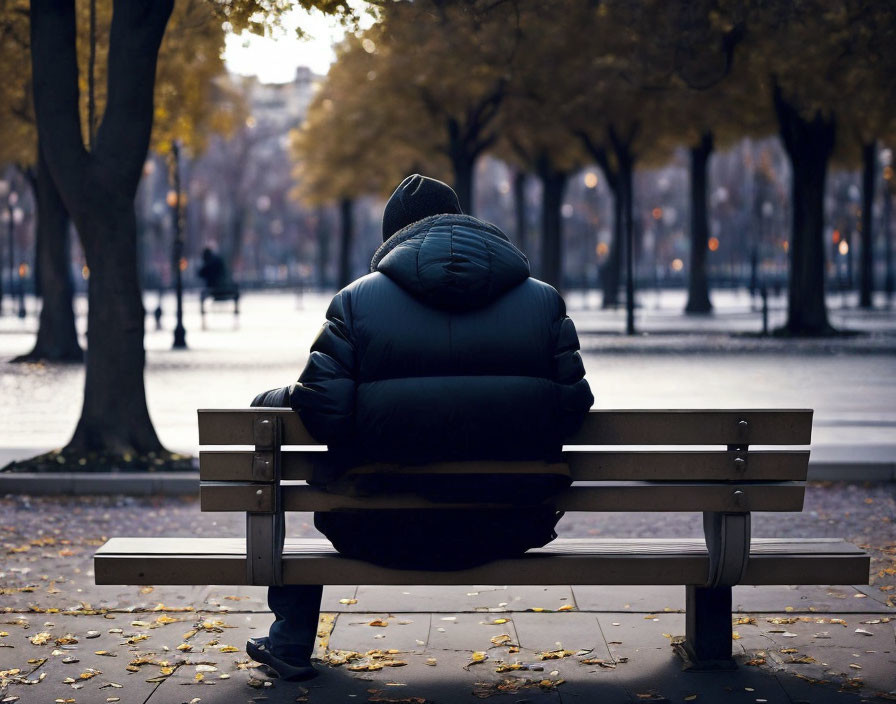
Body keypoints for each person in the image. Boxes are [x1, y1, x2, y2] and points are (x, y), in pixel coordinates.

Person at [246, 174, 593, 681]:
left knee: (315, 526)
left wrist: (273, 401)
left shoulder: (356, 302)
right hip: (511, 522)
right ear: (465, 221)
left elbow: (323, 410)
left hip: (377, 527)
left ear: (393, 240)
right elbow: (573, 406)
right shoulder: (542, 302)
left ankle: (291, 641)